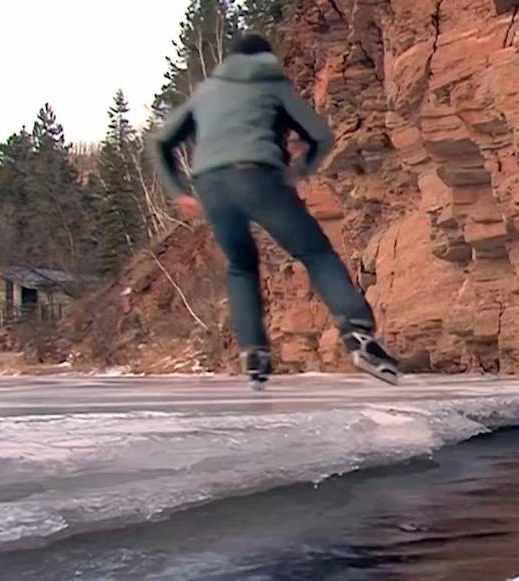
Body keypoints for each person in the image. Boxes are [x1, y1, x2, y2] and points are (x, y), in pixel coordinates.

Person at [153, 32, 399, 386]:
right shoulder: (271, 85)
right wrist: (299, 171)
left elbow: (162, 141)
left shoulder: (205, 92)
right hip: (257, 176)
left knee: (240, 266)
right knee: (316, 253)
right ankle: (356, 332)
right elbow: (321, 136)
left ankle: (253, 353)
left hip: (210, 186)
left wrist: (179, 192)